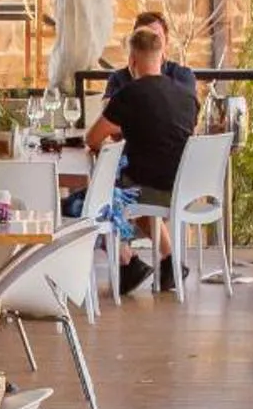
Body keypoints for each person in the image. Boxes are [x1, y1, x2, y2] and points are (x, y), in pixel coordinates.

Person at [85, 26, 199, 295]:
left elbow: (92, 139)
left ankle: (127, 261)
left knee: (98, 196)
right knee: (131, 187)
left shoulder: (129, 95)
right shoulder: (188, 97)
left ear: (132, 61)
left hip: (147, 188)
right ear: (162, 57)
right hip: (185, 187)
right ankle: (169, 261)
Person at [102, 11, 196, 101]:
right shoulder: (118, 78)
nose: (148, 42)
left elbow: (184, 110)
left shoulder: (181, 76)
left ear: (166, 41)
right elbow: (107, 110)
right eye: (141, 37)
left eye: (155, 37)